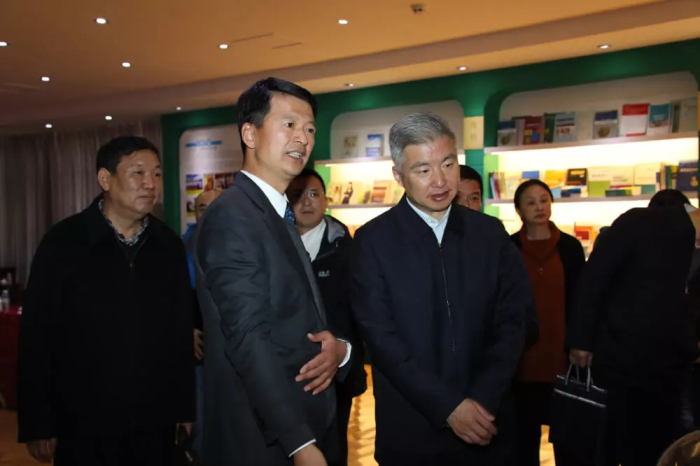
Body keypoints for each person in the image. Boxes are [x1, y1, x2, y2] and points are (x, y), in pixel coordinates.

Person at [351, 112, 536, 465]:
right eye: (423, 170)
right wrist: (448, 406)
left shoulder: (490, 234)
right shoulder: (372, 242)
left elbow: (515, 321)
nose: (440, 181)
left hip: (488, 422)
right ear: (398, 175)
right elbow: (381, 340)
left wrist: (481, 400)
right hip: (412, 430)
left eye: (448, 165)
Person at [194, 77, 352, 466]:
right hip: (260, 439)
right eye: (289, 125)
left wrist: (338, 349)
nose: (303, 138)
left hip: (300, 421)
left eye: (310, 129)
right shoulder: (233, 216)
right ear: (250, 133)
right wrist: (298, 442)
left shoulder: (274, 211)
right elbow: (247, 335)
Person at [17, 136, 195, 465]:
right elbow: (36, 337)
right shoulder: (64, 243)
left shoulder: (167, 245)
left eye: (157, 174)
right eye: (137, 172)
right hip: (82, 422)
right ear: (105, 179)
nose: (150, 184)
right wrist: (37, 423)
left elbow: (180, 333)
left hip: (153, 420)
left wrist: (184, 407)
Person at [568, 201, 700, 466]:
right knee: (612, 445)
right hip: (622, 362)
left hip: (671, 370)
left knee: (657, 449)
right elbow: (594, 279)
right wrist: (580, 340)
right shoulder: (641, 224)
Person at [287, 168, 368, 466]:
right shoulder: (276, 244)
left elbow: (361, 314)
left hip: (336, 374)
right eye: (298, 195)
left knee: (331, 453)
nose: (307, 202)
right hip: (287, 372)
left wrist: (343, 352)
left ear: (326, 200)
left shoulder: (348, 249)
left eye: (314, 194)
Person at [509, 179, 585, 466]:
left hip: (564, 361)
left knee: (569, 445)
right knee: (523, 444)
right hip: (521, 363)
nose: (539, 207)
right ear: (518, 210)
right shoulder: (509, 248)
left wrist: (581, 342)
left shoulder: (570, 247)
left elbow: (581, 300)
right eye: (530, 202)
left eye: (544, 200)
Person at [182, 188, 223, 456]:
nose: (208, 213)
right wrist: (186, 328)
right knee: (201, 416)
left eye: (214, 206)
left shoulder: (243, 241)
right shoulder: (180, 248)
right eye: (202, 207)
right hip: (197, 350)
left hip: (234, 349)